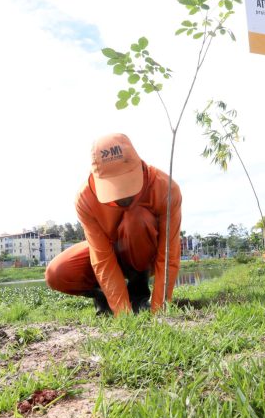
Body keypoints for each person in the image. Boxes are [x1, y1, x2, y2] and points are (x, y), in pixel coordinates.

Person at [45, 133, 182, 316]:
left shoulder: (166, 188)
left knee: (136, 218)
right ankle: (105, 298)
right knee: (57, 273)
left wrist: (159, 311)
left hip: (143, 252)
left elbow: (169, 256)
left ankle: (138, 293)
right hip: (109, 250)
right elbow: (101, 258)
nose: (123, 196)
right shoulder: (85, 199)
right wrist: (123, 314)